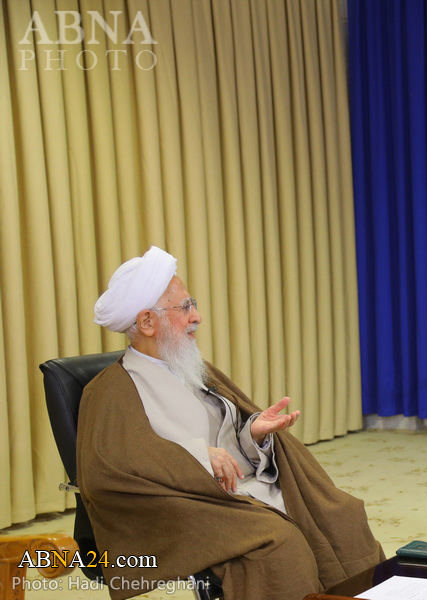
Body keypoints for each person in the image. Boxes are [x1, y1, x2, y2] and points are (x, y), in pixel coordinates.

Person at [79, 246, 383, 600]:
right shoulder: (110, 390)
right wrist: (198, 456)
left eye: (193, 305)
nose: (197, 317)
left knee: (341, 517)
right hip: (187, 505)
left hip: (245, 489)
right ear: (147, 322)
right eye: (185, 307)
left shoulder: (194, 368)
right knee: (280, 545)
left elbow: (226, 438)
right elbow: (109, 468)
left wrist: (253, 435)